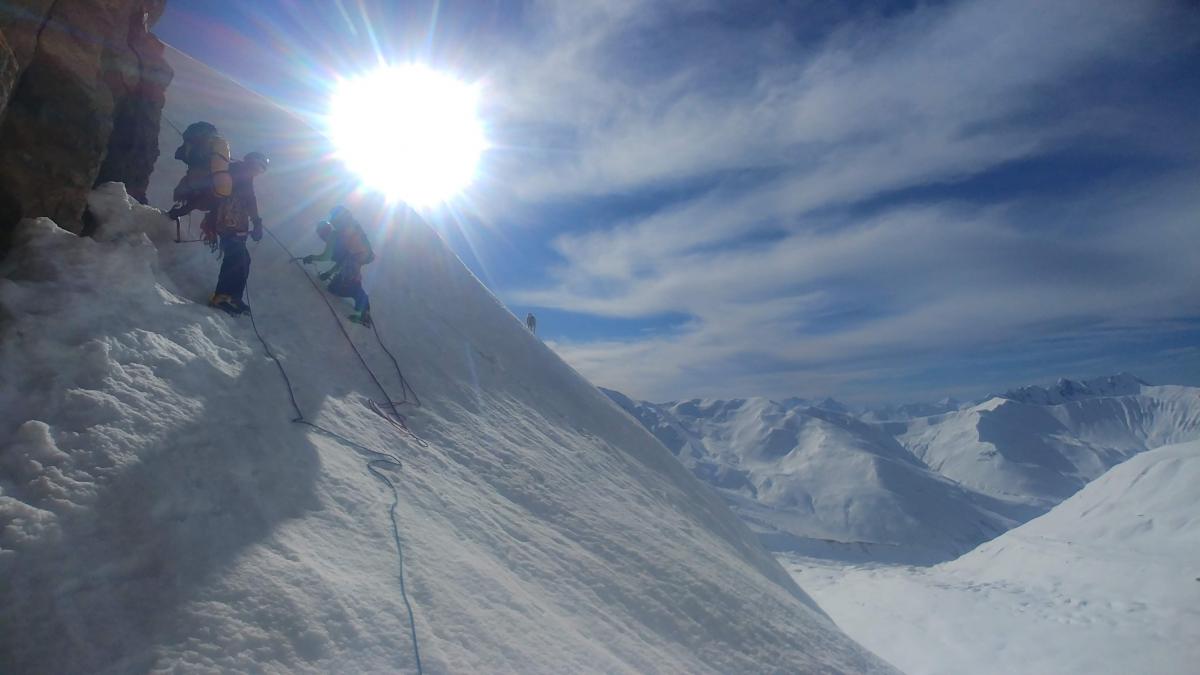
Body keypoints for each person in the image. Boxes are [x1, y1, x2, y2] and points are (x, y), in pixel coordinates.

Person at [207, 152, 269, 315]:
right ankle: (221, 297)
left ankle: (233, 296)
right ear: (253, 164)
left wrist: (256, 222)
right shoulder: (238, 174)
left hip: (235, 226)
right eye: (259, 168)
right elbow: (232, 203)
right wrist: (253, 223)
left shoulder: (243, 175)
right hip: (229, 225)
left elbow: (249, 200)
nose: (258, 172)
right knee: (234, 260)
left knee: (243, 260)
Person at [302, 206, 375, 326]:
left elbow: (326, 256)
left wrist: (311, 258)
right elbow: (342, 260)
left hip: (355, 259)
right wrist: (329, 273)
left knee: (351, 286)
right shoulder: (340, 235)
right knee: (335, 287)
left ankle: (362, 313)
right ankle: (363, 307)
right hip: (358, 257)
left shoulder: (334, 236)